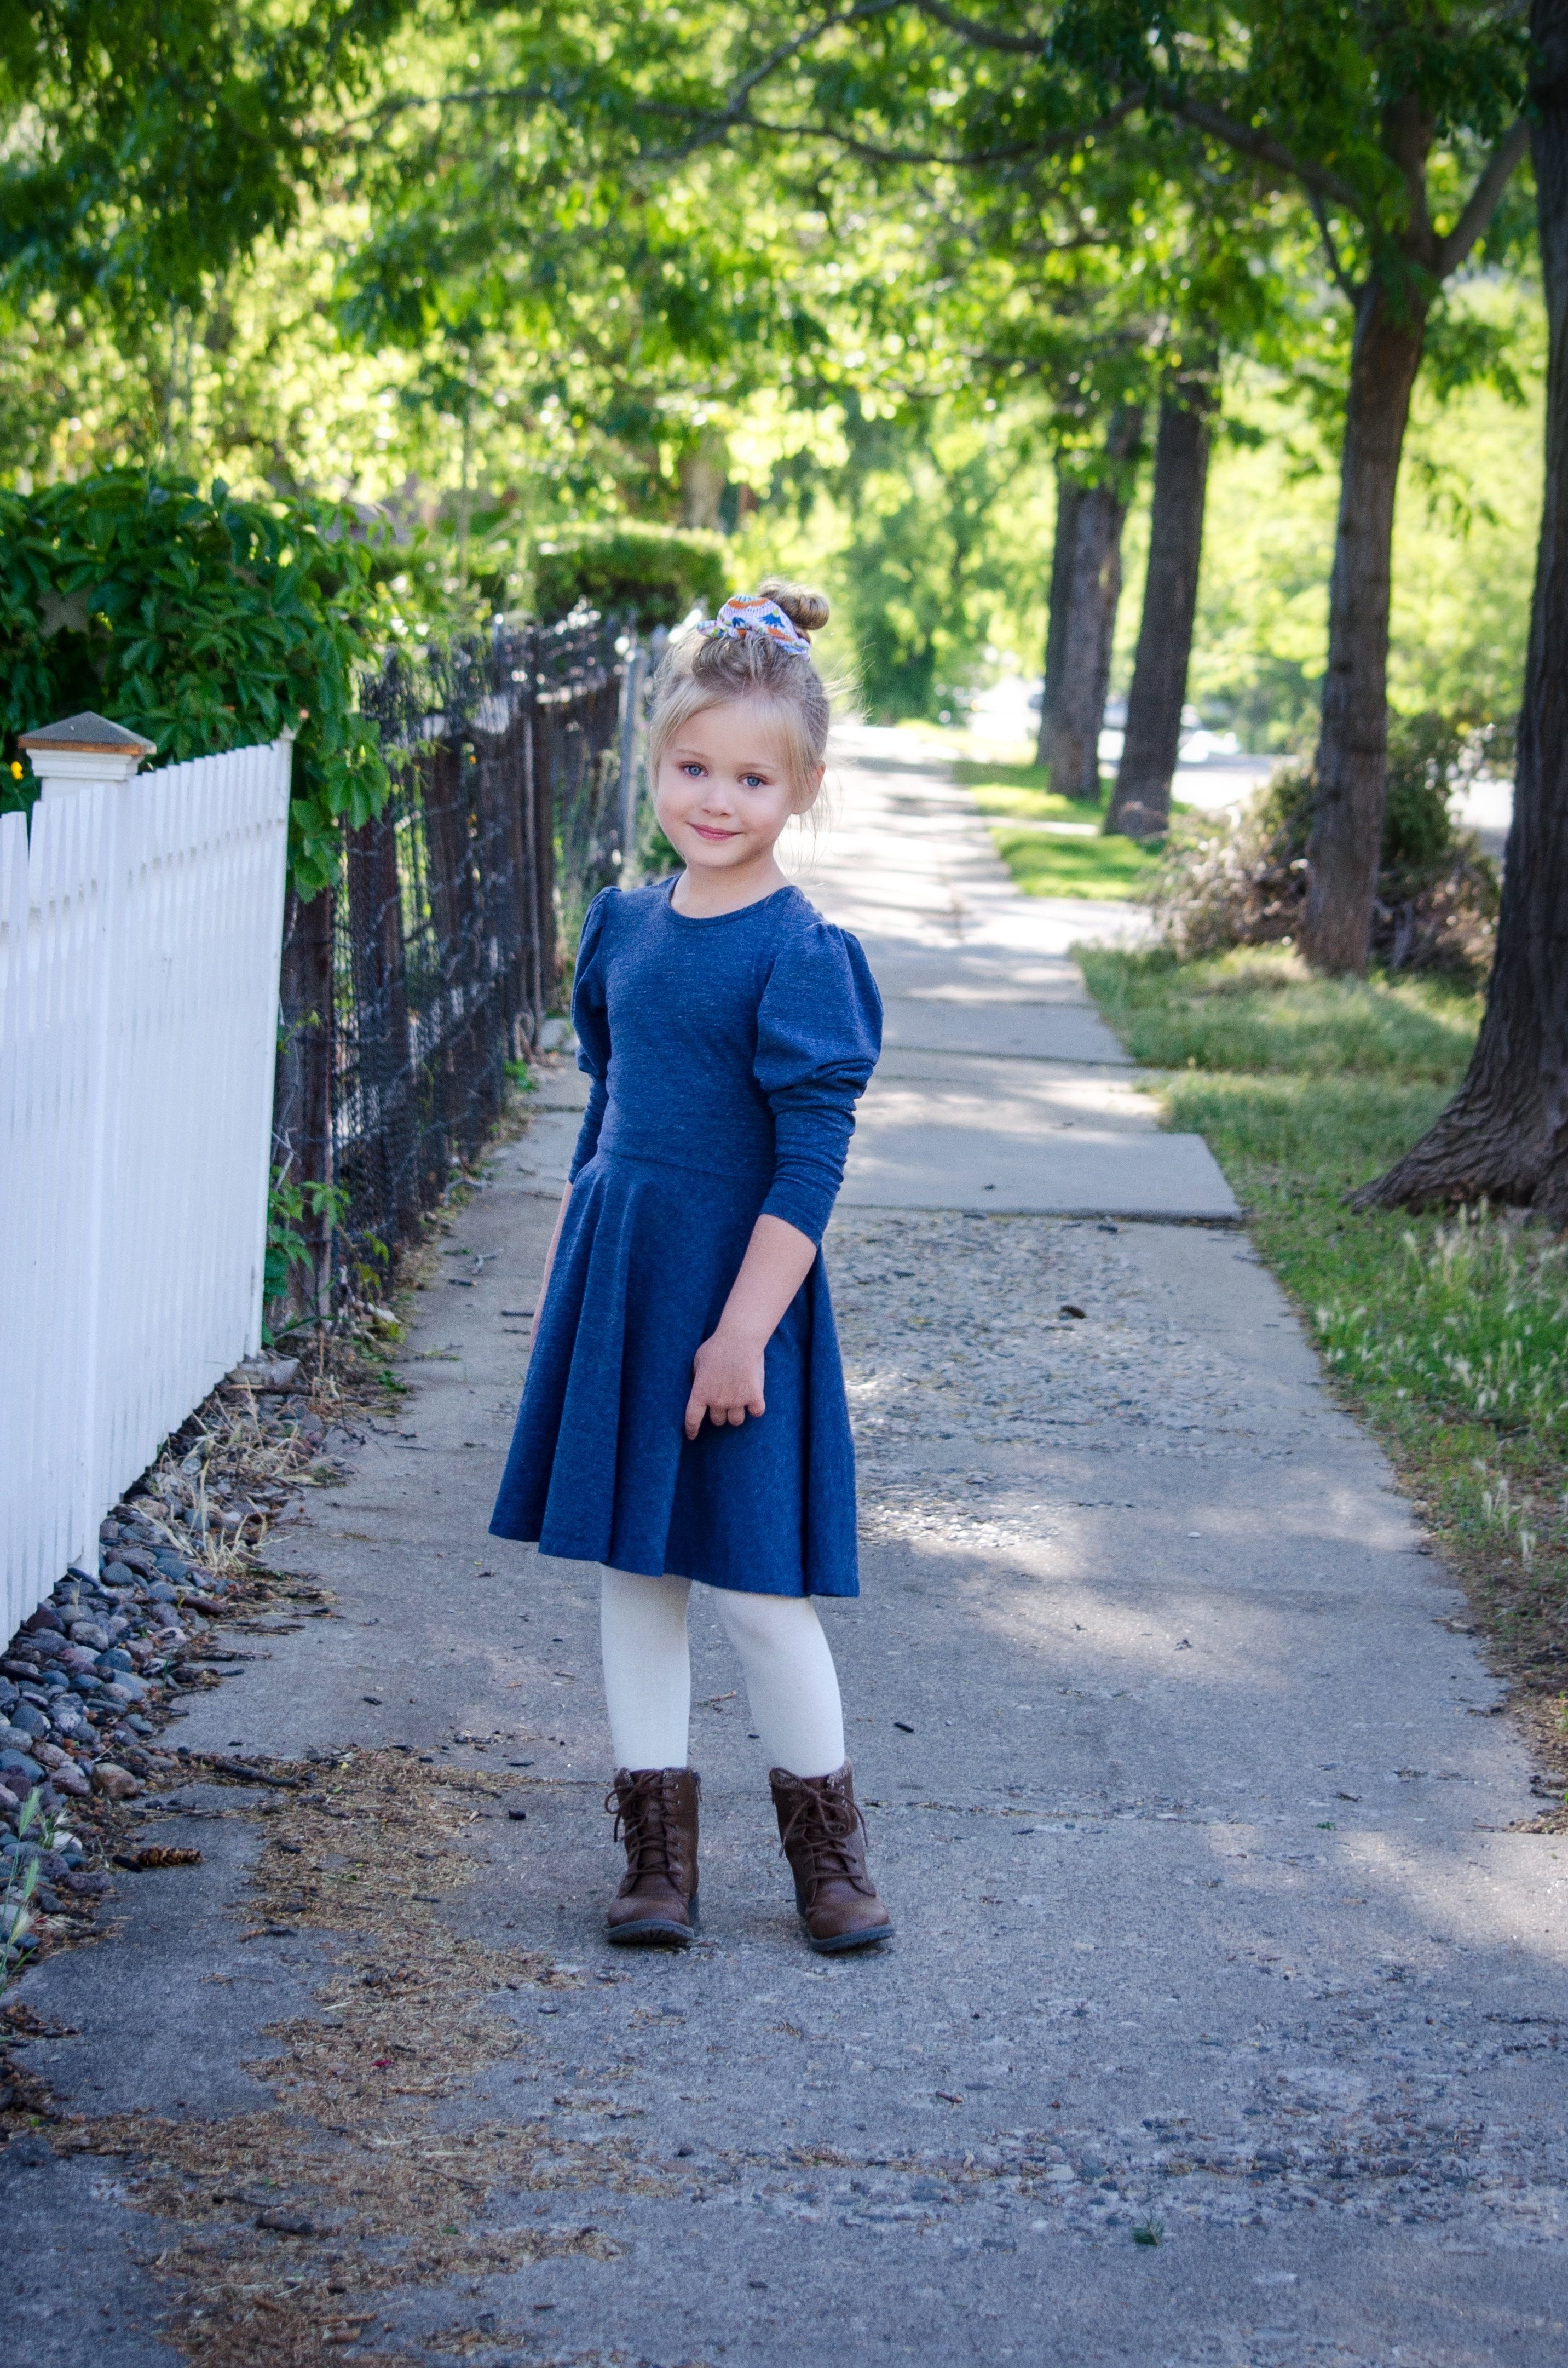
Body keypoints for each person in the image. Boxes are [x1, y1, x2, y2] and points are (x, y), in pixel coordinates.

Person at [491, 580, 892, 1955]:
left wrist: (741, 1337)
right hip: (623, 1282)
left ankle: (827, 1858)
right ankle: (656, 1859)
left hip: (739, 1300)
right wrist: (564, 1283)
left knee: (758, 1590)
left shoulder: (800, 951)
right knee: (633, 1578)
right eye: (691, 768)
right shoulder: (621, 925)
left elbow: (809, 1164)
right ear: (651, 764)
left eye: (750, 776)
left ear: (803, 787)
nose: (715, 798)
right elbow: (604, 1112)